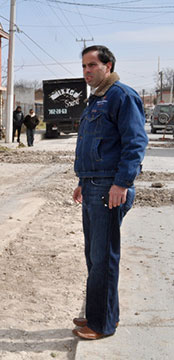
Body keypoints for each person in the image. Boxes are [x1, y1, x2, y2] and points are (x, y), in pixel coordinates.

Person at [72, 45, 148, 340]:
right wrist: (83, 179)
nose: (87, 71)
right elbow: (93, 145)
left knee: (103, 257)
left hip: (109, 187)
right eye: (83, 67)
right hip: (93, 184)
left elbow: (135, 144)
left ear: (108, 65)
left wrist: (122, 184)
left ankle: (101, 325)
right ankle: (102, 315)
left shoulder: (122, 96)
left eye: (92, 65)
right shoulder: (96, 100)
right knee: (95, 256)